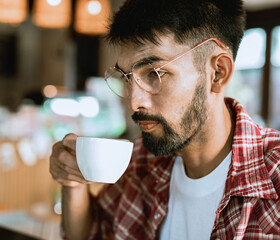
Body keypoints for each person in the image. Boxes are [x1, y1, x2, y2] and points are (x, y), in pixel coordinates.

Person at [49, 0, 280, 239]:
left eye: (155, 73)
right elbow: (94, 233)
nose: (134, 102)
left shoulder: (274, 176)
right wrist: (73, 183)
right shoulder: (143, 160)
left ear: (218, 73)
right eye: (127, 77)